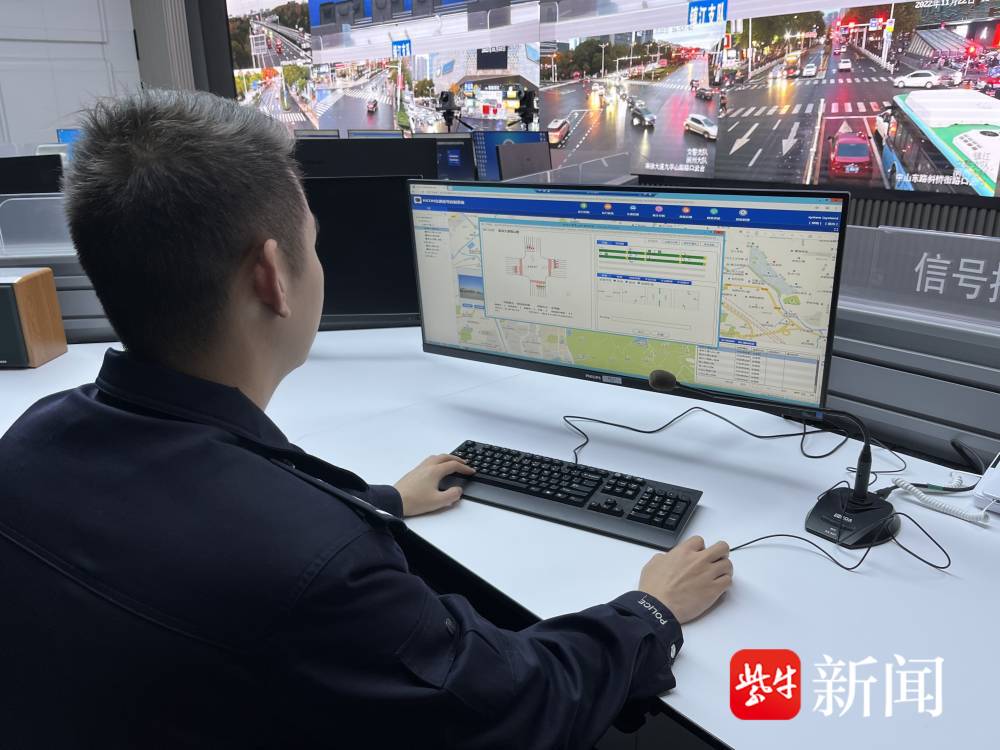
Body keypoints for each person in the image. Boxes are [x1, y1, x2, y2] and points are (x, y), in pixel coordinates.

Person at [0, 90, 733, 748]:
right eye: (312, 244)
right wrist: (651, 611)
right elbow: (518, 704)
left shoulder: (31, 442)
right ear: (271, 277)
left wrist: (378, 502)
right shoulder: (315, 568)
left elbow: (175, 529)